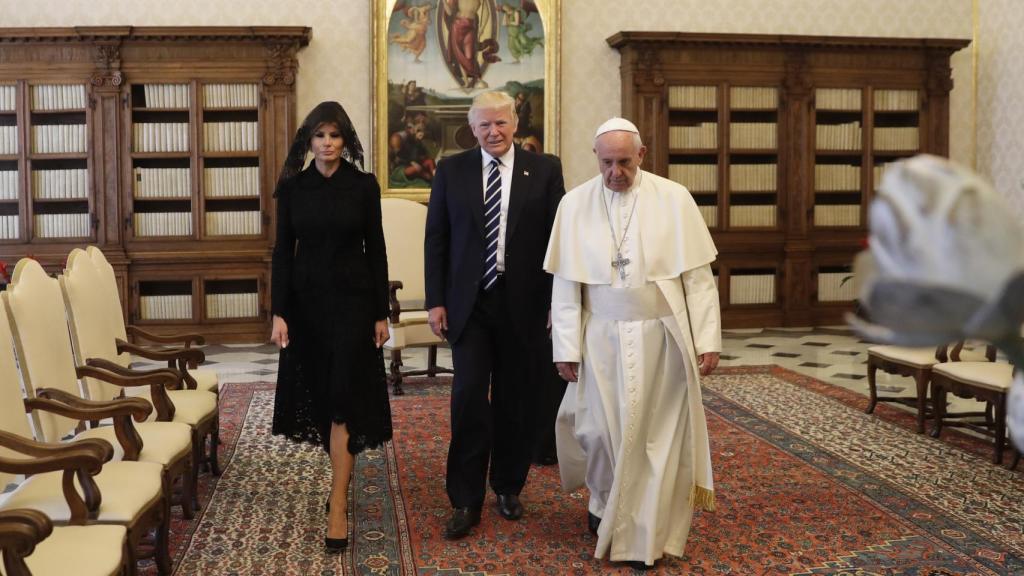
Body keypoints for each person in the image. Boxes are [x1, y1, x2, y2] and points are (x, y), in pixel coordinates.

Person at [544, 117, 721, 570]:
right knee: (598, 433)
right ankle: (603, 505)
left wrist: (707, 339)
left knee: (655, 438)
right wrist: (565, 347)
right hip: (600, 335)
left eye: (624, 162)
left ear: (642, 155)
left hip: (660, 336)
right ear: (596, 158)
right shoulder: (574, 203)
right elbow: (566, 285)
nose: (615, 172)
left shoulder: (673, 198)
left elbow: (698, 280)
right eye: (606, 163)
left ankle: (648, 535)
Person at [424, 90, 564, 539]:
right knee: (467, 398)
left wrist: (554, 303)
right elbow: (437, 240)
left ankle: (507, 486)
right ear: (473, 128)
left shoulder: (544, 170)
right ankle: (465, 499)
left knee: (515, 398)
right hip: (469, 304)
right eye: (483, 125)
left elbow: (557, 242)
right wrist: (435, 301)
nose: (493, 131)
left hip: (523, 302)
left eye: (500, 123)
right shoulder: (451, 170)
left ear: (515, 123)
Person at [269, 101, 392, 555]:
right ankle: (341, 470)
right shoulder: (293, 188)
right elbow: (283, 252)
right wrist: (279, 311)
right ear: (309, 141)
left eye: (335, 136)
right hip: (305, 307)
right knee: (320, 397)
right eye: (320, 136)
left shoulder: (363, 186)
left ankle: (338, 503)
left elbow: (375, 249)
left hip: (354, 305)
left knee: (342, 397)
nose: (327, 144)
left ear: (346, 141)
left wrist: (381, 312)